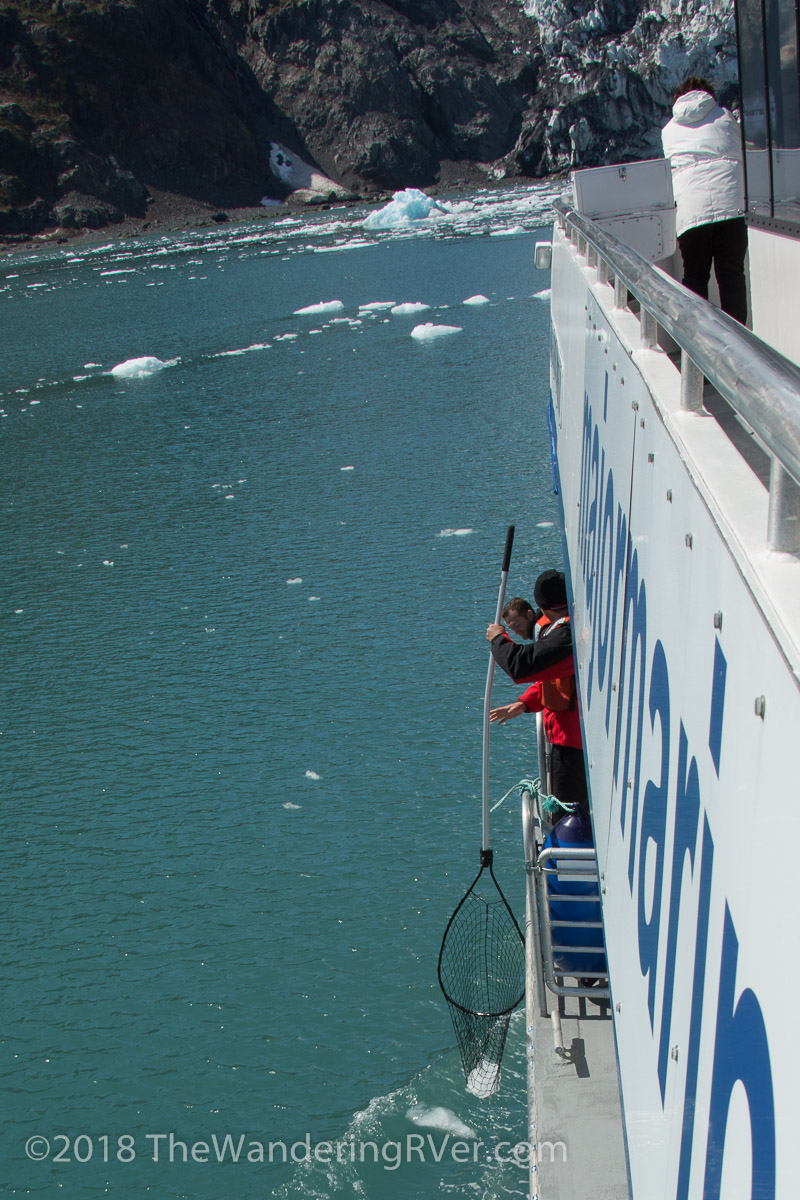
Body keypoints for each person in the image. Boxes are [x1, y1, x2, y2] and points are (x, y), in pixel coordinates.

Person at [486, 569, 589, 815]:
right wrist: (524, 703)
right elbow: (555, 679)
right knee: (565, 806)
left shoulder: (567, 636)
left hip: (572, 744)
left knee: (567, 813)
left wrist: (498, 639)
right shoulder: (572, 627)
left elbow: (521, 666)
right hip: (566, 739)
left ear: (542, 608)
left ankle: (566, 850)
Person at [661, 76, 748, 324]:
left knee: (695, 278)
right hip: (730, 206)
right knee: (731, 275)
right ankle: (739, 345)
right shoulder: (726, 117)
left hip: (691, 213)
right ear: (708, 95)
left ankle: (698, 344)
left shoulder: (668, 131)